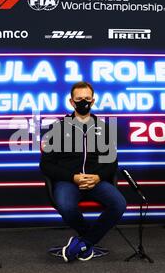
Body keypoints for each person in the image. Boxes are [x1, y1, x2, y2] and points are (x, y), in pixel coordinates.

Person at [40, 81, 126, 262]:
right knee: (65, 205)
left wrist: (98, 177)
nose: (83, 102)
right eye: (79, 99)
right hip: (68, 181)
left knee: (119, 204)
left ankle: (82, 243)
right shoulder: (58, 128)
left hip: (96, 181)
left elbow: (112, 163)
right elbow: (46, 165)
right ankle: (88, 241)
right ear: (71, 102)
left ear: (93, 101)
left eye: (87, 99)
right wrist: (73, 177)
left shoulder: (104, 128)